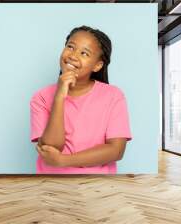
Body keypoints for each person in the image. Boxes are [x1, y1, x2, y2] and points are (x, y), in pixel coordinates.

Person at [30, 25, 132, 174]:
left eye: (84, 53)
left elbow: (116, 151)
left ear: (97, 65)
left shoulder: (114, 96)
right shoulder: (41, 97)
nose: (73, 55)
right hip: (51, 185)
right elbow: (52, 147)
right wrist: (59, 96)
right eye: (70, 47)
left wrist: (63, 161)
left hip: (97, 187)